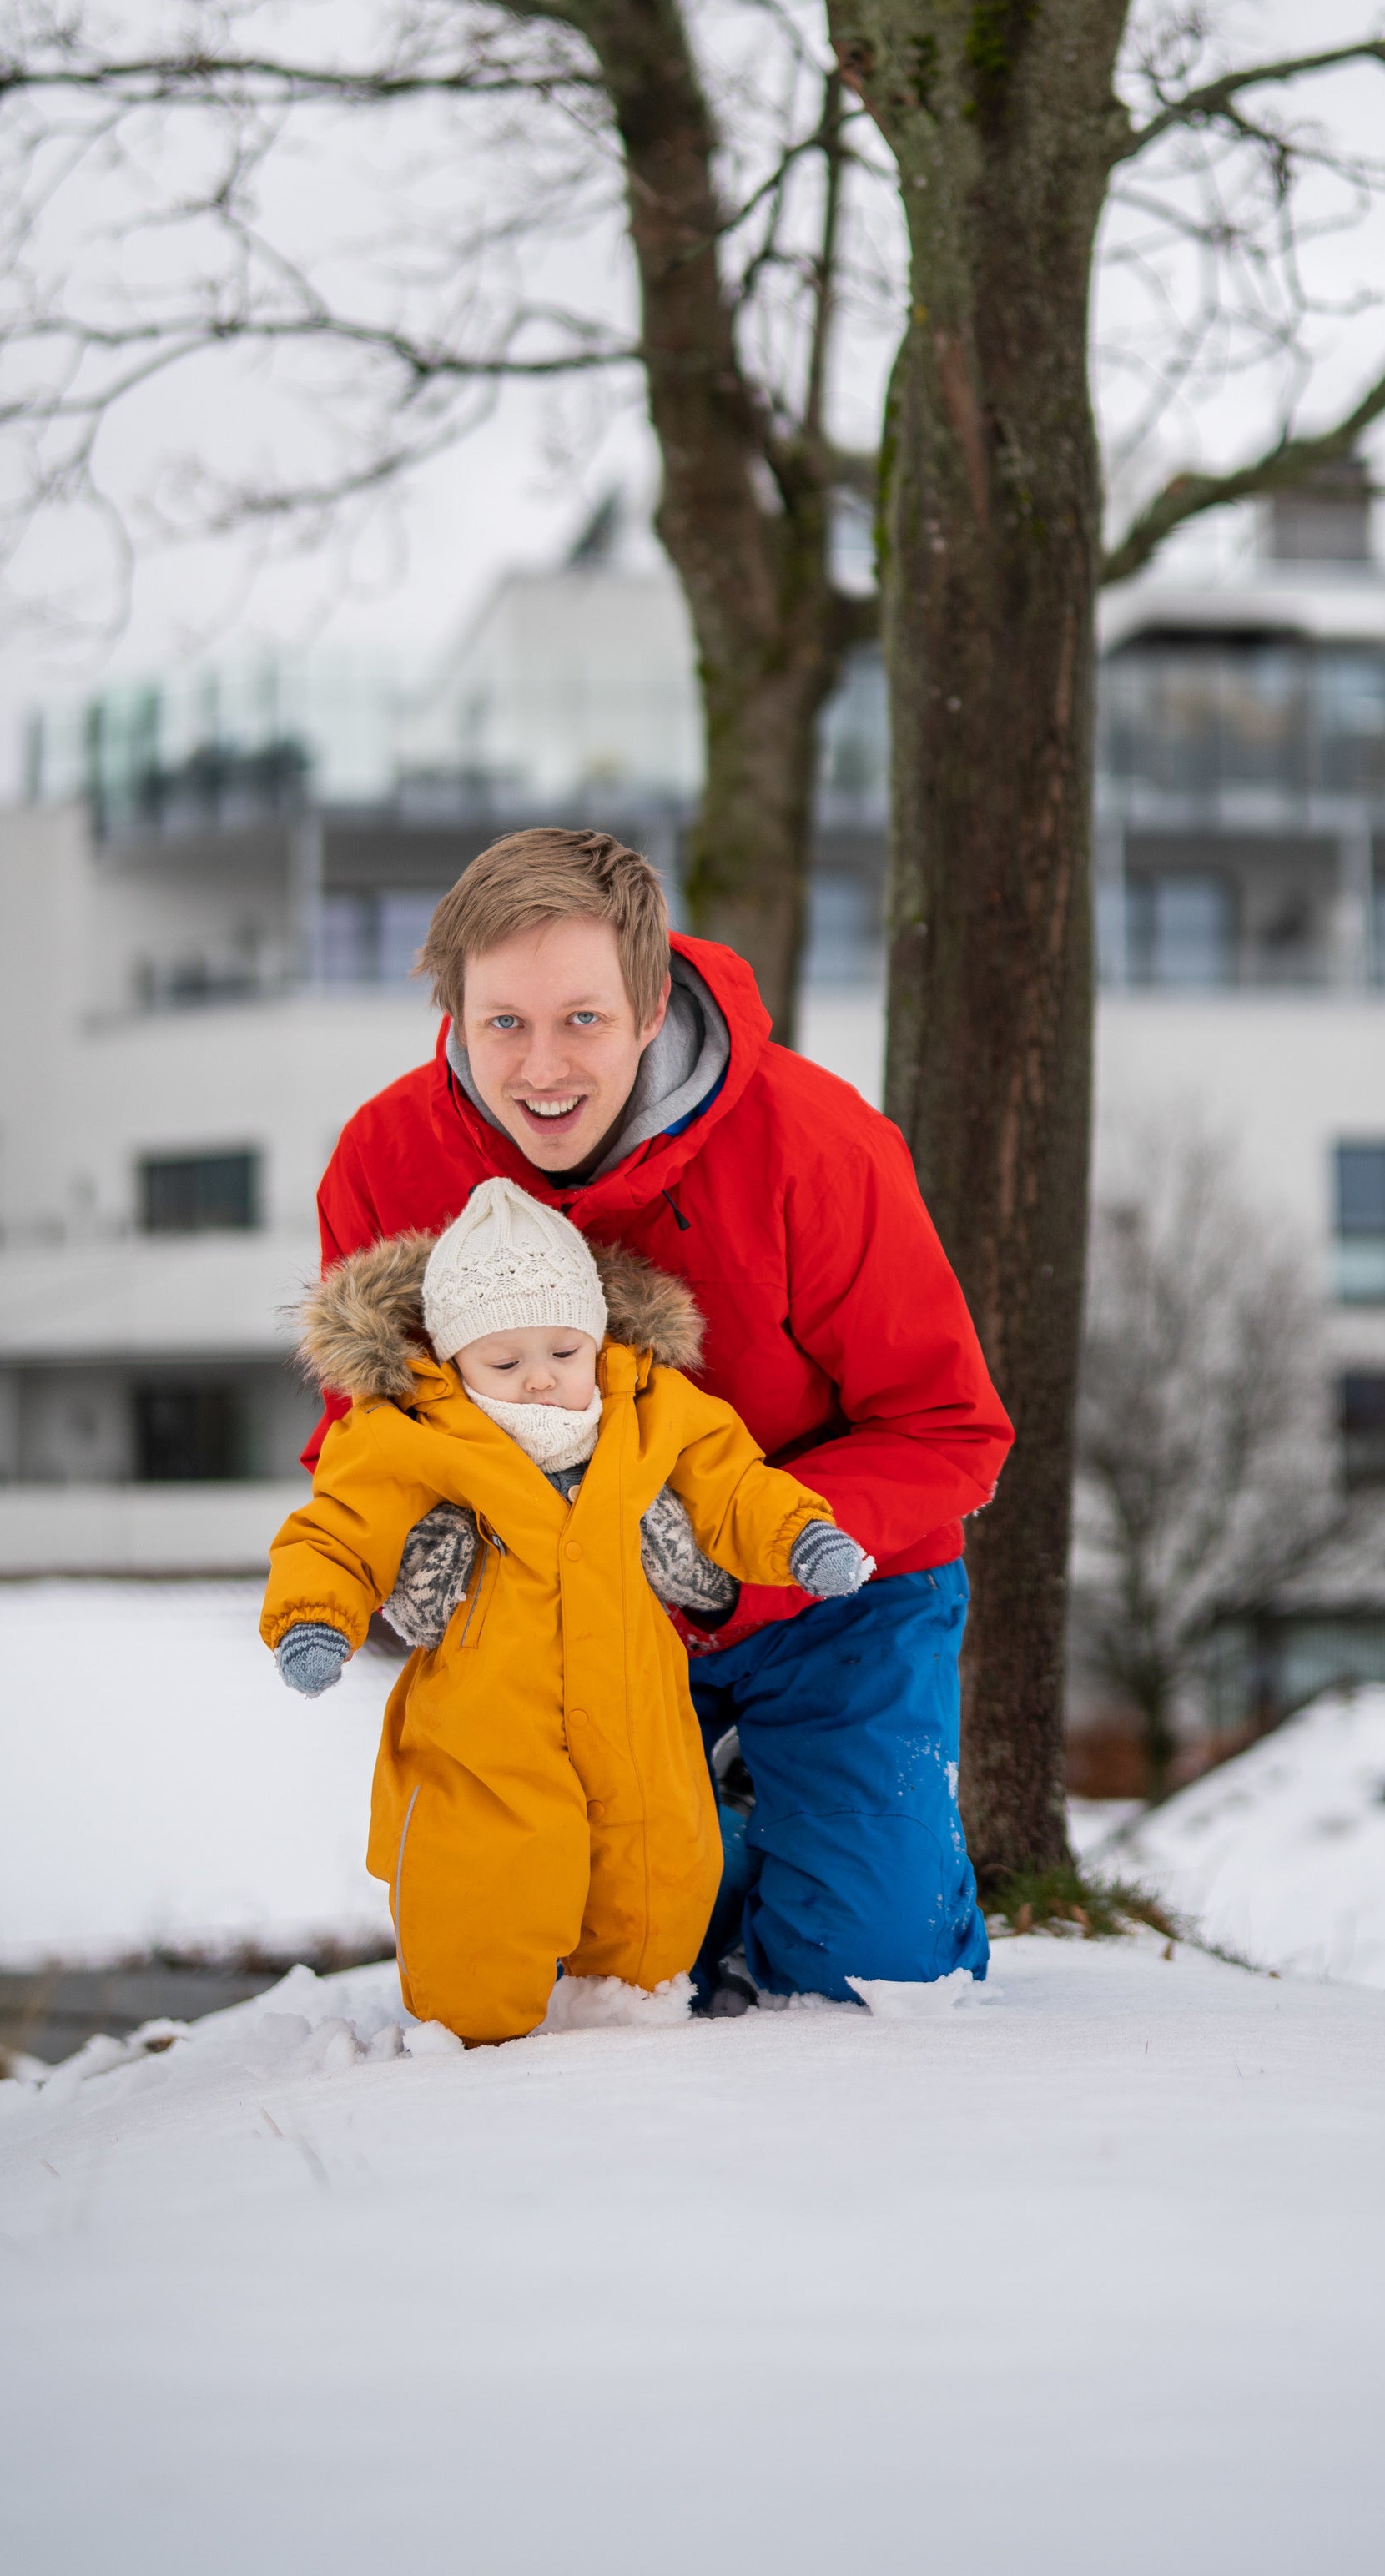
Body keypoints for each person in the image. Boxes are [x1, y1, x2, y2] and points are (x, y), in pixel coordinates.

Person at [301, 826, 1011, 2007]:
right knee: (591, 1973)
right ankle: (723, 1837)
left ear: (645, 1003)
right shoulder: (387, 1158)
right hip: (563, 1617)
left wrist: (736, 1564)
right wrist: (407, 1557)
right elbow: (365, 1431)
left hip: (833, 1589)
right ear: (454, 1011)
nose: (541, 1069)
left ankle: (838, 1842)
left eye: (583, 1018)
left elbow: (949, 1430)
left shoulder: (817, 1145)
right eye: (504, 1023)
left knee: (869, 1980)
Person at [262, 1175, 875, 2042]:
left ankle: (631, 2018)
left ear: (597, 1336)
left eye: (564, 1351)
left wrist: (803, 1539)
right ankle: (473, 2037)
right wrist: (316, 1617)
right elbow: (337, 1530)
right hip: (487, 1723)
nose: (543, 1380)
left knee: (658, 1877)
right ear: (453, 1359)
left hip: (636, 1712)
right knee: (481, 1885)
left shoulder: (652, 1407)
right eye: (506, 1363)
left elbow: (732, 1486)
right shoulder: (407, 1433)